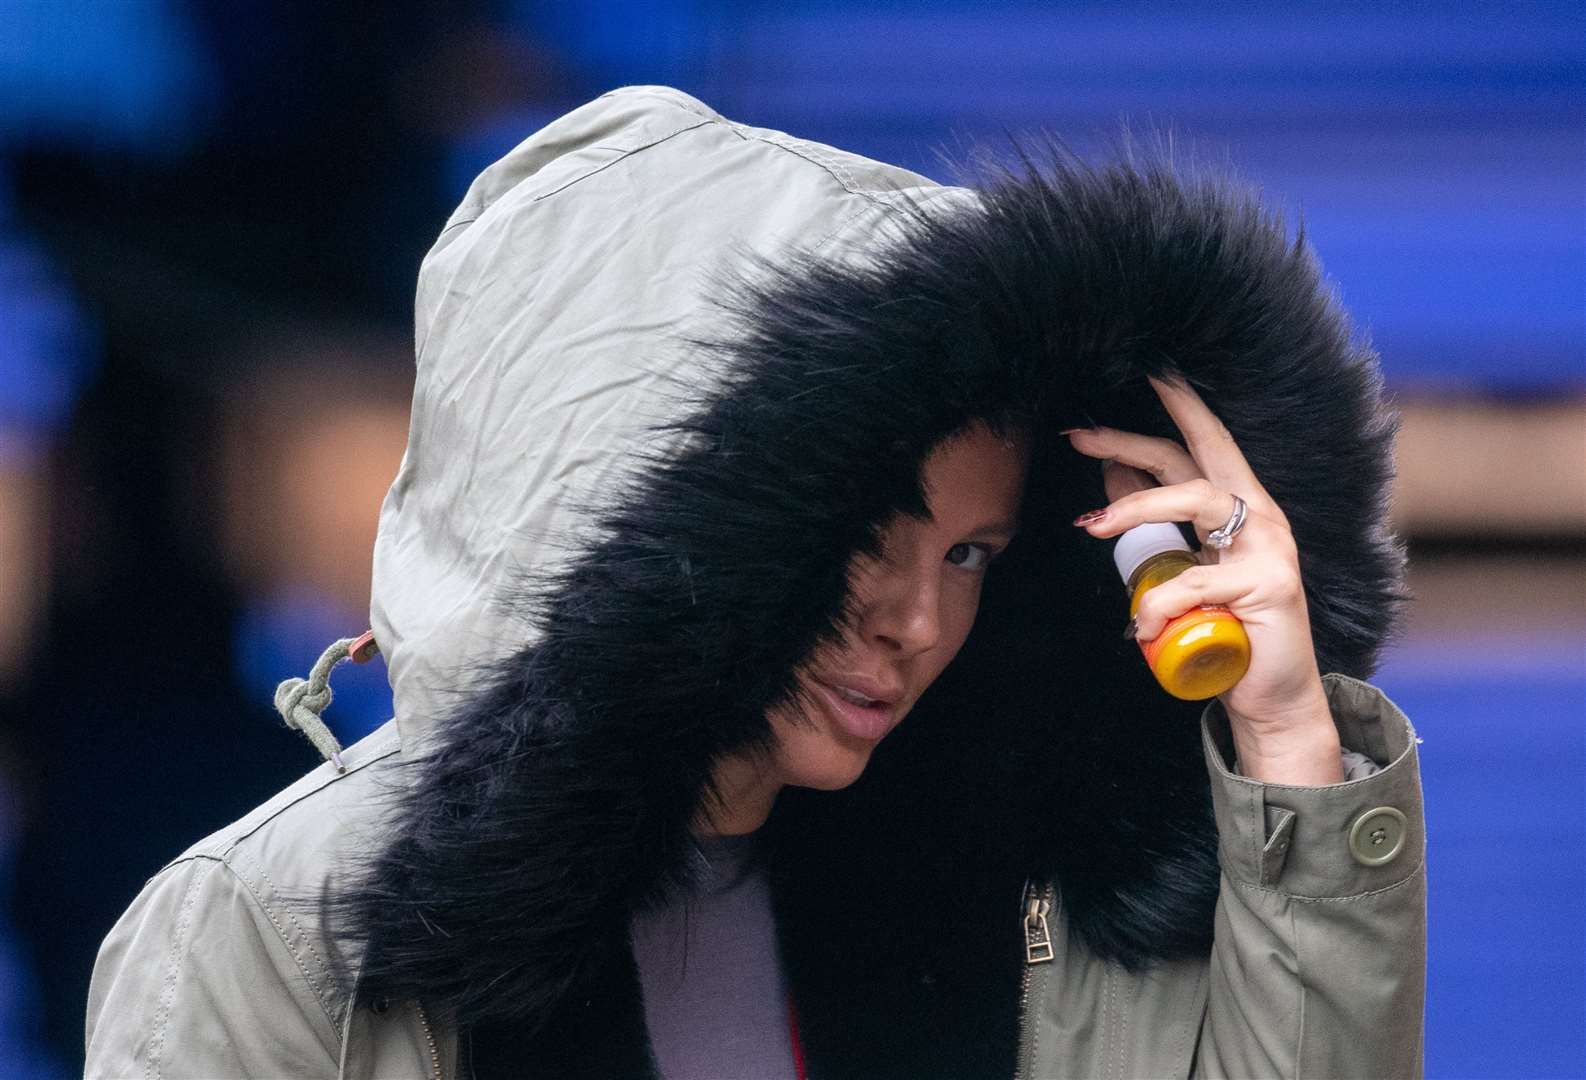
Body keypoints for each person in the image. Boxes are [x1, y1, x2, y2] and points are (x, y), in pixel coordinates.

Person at [85, 85, 1426, 1079]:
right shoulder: (280, 932)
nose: (915, 620)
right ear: (646, 517)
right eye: (859, 534)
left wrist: (1286, 740)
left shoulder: (1043, 883)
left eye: (971, 556)